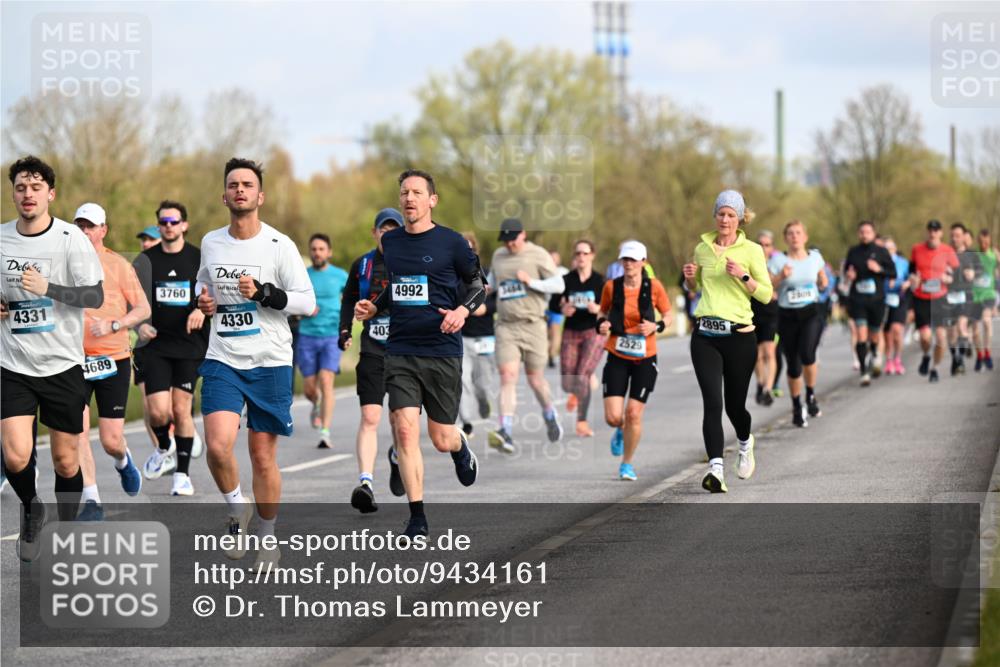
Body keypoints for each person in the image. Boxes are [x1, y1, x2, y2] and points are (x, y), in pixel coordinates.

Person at [196, 158, 316, 565]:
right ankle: (235, 507)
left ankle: (266, 533)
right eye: (233, 185)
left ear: (260, 196)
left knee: (262, 458)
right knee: (216, 445)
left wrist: (265, 293)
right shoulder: (212, 242)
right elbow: (203, 281)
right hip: (223, 357)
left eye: (248, 184)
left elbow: (308, 302)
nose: (240, 190)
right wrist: (204, 299)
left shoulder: (279, 245)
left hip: (269, 360)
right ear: (224, 195)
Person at [354, 169, 482, 538]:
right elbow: (397, 287)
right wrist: (374, 307)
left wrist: (461, 311)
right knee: (405, 431)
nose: (409, 199)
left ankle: (460, 446)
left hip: (442, 351)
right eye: (404, 193)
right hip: (401, 349)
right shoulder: (391, 244)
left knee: (440, 437)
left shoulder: (453, 243)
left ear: (432, 200)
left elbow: (478, 285)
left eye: (416, 193)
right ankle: (417, 515)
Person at [1, 156, 104, 561]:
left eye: (36, 187)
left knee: (65, 460)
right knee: (14, 454)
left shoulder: (69, 239)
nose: (28, 194)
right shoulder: (3, 239)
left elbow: (93, 296)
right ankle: (31, 506)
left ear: (51, 194)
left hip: (62, 364)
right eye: (21, 187)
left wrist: (49, 287)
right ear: (14, 194)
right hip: (13, 363)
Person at [682, 190, 772, 493]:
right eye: (721, 213)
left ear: (740, 218)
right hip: (705, 335)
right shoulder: (702, 249)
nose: (725, 219)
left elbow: (767, 294)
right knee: (712, 402)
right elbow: (696, 288)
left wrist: (744, 277)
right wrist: (689, 278)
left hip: (739, 338)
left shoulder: (752, 250)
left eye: (731, 214)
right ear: (715, 216)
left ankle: (745, 443)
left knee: (735, 406)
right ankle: (716, 471)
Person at [72, 203, 149, 521]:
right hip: (74, 361)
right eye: (79, 225)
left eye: (90, 226)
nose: (84, 231)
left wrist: (115, 325)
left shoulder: (118, 265)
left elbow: (142, 309)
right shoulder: (65, 264)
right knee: (76, 430)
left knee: (110, 439)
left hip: (113, 360)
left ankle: (123, 460)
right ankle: (91, 500)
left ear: (103, 230)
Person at [133, 200, 209, 496]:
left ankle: (182, 475)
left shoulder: (199, 259)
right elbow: (131, 302)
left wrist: (202, 311)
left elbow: (213, 295)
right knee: (158, 413)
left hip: (190, 344)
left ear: (184, 225)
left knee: (181, 409)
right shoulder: (144, 261)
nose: (168, 226)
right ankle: (164, 445)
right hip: (156, 345)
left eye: (173, 222)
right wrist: (139, 325)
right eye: (163, 221)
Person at [338, 208, 402, 513]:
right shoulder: (362, 265)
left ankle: (396, 457)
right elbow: (349, 298)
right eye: (383, 230)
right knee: (371, 418)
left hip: (405, 353)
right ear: (375, 233)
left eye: (394, 230)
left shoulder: (412, 262)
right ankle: (366, 484)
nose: (388, 234)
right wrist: (345, 330)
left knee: (401, 423)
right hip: (373, 349)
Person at [487, 219, 565, 453]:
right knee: (507, 376)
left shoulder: (538, 254)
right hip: (506, 326)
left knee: (535, 380)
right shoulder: (498, 256)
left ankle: (550, 414)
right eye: (506, 239)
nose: (509, 243)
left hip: (533, 326)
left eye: (513, 238)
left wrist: (531, 282)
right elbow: (490, 282)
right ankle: (506, 431)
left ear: (523, 234)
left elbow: (558, 285)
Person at [597, 241, 671, 480]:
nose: (629, 264)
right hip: (617, 355)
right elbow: (602, 311)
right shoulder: (611, 286)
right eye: (625, 259)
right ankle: (619, 430)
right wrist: (602, 324)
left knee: (633, 414)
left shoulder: (654, 286)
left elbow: (668, 315)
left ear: (643, 262)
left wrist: (656, 325)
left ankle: (626, 464)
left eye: (633, 260)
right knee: (613, 417)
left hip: (645, 357)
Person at [768, 221, 828, 427]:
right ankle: (796, 405)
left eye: (798, 233)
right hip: (786, 315)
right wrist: (780, 277)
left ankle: (810, 395)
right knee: (793, 364)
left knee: (807, 354)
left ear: (805, 236)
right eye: (790, 234)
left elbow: (822, 279)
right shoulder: (777, 260)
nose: (794, 237)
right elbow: (767, 287)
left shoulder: (815, 257)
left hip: (811, 312)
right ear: (785, 238)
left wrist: (823, 282)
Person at [298, 233, 349, 449]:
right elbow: (293, 300)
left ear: (329, 252)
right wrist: (302, 309)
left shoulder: (340, 276)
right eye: (314, 249)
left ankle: (325, 432)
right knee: (310, 389)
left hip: (331, 335)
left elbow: (350, 303)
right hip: (307, 335)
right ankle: (315, 403)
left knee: (327, 381)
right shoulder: (302, 275)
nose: (317, 253)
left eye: (321, 249)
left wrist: (346, 331)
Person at [559, 239, 607, 437]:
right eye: (577, 253)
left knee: (581, 375)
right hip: (571, 330)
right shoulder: (566, 280)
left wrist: (599, 309)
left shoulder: (600, 281)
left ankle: (582, 421)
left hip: (593, 331)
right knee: (568, 381)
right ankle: (576, 390)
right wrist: (563, 308)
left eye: (585, 253)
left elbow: (610, 308)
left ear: (592, 256)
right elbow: (554, 304)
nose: (581, 257)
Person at [843, 220, 896, 385]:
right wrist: (849, 275)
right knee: (860, 334)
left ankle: (874, 353)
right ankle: (864, 372)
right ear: (858, 234)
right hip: (858, 299)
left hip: (877, 300)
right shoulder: (853, 251)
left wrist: (879, 269)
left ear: (873, 234)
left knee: (874, 335)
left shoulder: (881, 251)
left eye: (867, 232)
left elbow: (892, 272)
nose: (864, 235)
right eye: (861, 232)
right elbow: (847, 271)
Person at [909, 220, 959, 384]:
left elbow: (957, 275)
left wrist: (949, 278)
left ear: (941, 233)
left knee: (941, 337)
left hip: (940, 297)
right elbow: (911, 271)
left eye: (936, 230)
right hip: (921, 297)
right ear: (927, 232)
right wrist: (913, 279)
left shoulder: (947, 250)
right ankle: (926, 355)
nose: (933, 233)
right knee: (925, 337)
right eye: (930, 230)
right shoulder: (917, 249)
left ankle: (935, 368)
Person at [459, 232, 498, 436]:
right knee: (462, 380)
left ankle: (483, 401)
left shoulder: (487, 273)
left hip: (485, 337)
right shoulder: (452, 275)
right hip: (462, 336)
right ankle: (466, 422)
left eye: (470, 248)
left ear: (475, 250)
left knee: (481, 384)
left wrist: (486, 308)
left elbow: (497, 299)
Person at [946, 222, 981, 376]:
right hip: (948, 296)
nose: (954, 239)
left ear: (964, 237)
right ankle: (956, 358)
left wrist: (974, 274)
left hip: (966, 295)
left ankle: (960, 360)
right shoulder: (945, 253)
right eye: (952, 236)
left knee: (961, 326)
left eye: (958, 236)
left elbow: (982, 274)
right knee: (951, 333)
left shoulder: (972, 255)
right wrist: (943, 275)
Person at [751, 230, 779, 405]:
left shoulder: (776, 264)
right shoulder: (750, 263)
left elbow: (782, 283)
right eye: (760, 244)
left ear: (772, 248)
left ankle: (768, 389)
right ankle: (760, 383)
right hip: (753, 310)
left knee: (769, 351)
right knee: (757, 355)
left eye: (767, 244)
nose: (763, 247)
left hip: (771, 311)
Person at [881, 237, 912, 375]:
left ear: (895, 248)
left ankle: (897, 359)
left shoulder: (903, 263)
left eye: (891, 248)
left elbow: (910, 278)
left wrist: (906, 284)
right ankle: (888, 360)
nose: (889, 251)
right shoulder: (879, 263)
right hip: (884, 299)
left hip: (900, 298)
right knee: (887, 333)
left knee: (897, 330)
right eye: (886, 248)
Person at [972, 229, 997, 371]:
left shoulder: (994, 255)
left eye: (986, 242)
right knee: (975, 328)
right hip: (975, 295)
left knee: (987, 321)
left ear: (990, 241)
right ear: (978, 241)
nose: (984, 244)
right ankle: (979, 354)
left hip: (988, 294)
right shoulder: (974, 254)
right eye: (981, 242)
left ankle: (987, 352)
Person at [545, 250, 570, 368]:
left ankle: (552, 354)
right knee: (545, 333)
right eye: (551, 258)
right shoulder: (542, 271)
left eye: (555, 258)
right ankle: (546, 353)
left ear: (559, 259)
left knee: (555, 331)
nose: (553, 261)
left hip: (557, 307)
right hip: (543, 306)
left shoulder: (564, 272)